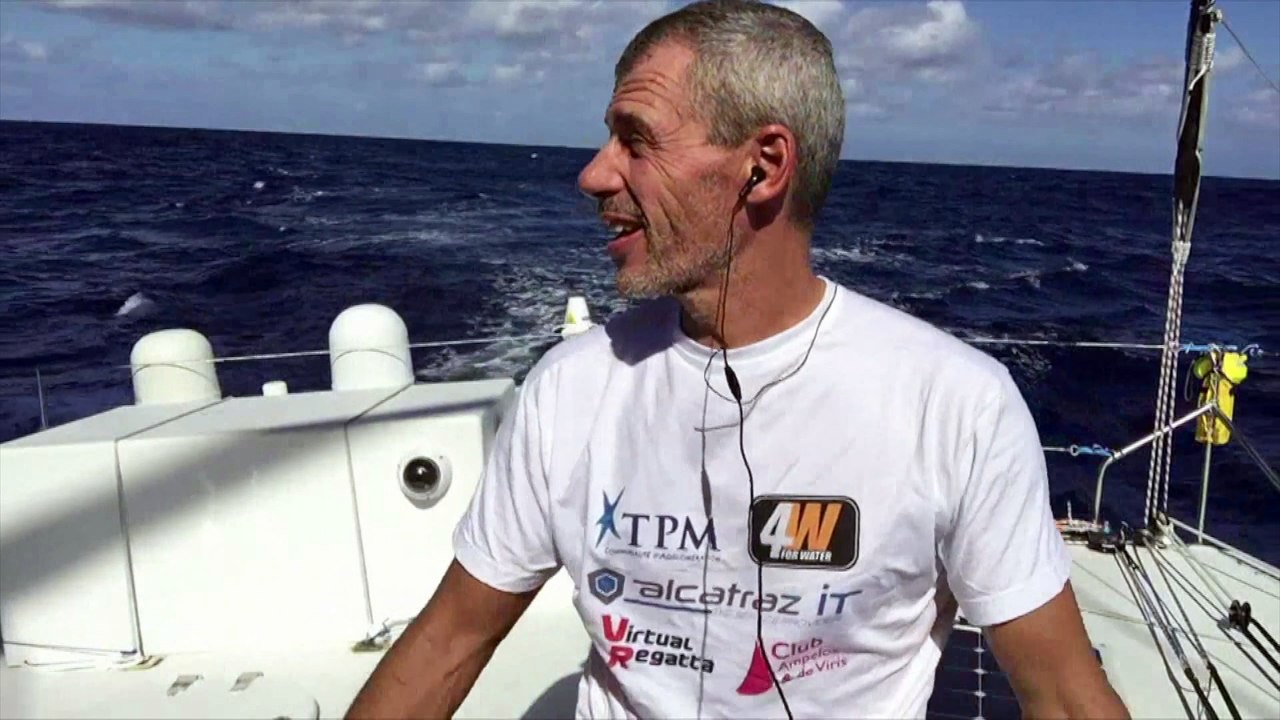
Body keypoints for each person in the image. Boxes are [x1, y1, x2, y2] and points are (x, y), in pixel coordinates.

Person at [345, 1, 1130, 718]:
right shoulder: (568, 387)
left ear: (763, 165)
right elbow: (449, 641)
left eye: (637, 139)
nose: (593, 174)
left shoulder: (956, 405)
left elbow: (1064, 695)